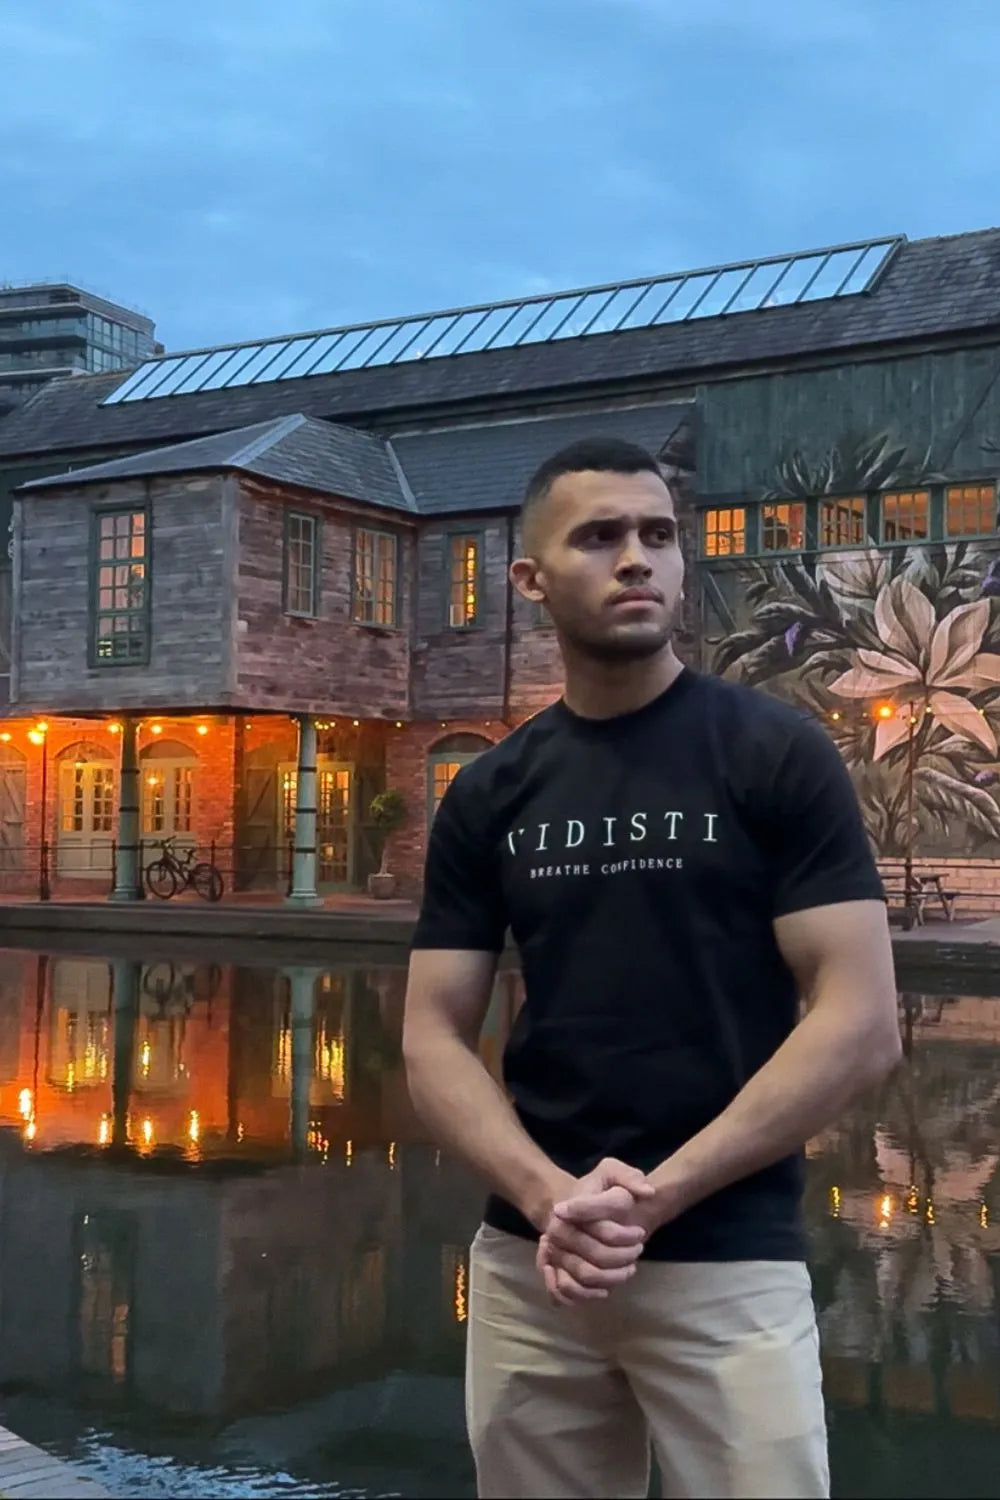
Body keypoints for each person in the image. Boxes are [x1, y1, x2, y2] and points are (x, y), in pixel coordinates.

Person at [403, 436, 900, 1500]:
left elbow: (860, 1021)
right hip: (536, 1262)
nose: (636, 558)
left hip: (728, 1257)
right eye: (598, 537)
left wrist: (658, 1196)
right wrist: (548, 1197)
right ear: (530, 580)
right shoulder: (491, 791)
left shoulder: (773, 753)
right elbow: (432, 1035)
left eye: (658, 535)